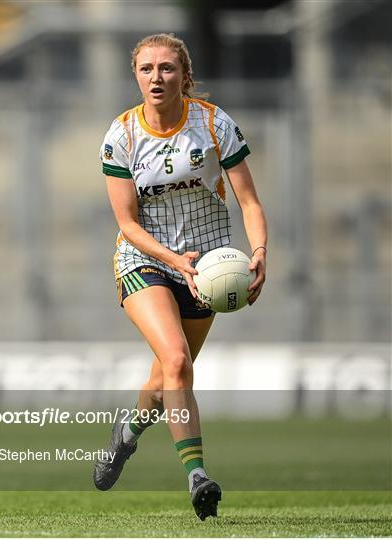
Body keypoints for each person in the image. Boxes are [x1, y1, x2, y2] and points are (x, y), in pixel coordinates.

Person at [93, 33, 267, 521]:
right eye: (146, 68)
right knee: (175, 356)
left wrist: (259, 251)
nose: (156, 77)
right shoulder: (121, 135)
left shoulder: (214, 124)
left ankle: (126, 434)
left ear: (185, 77)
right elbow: (126, 223)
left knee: (168, 374)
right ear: (136, 76)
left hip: (205, 270)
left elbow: (249, 201)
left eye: (167, 68)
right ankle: (197, 477)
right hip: (143, 260)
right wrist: (172, 258)